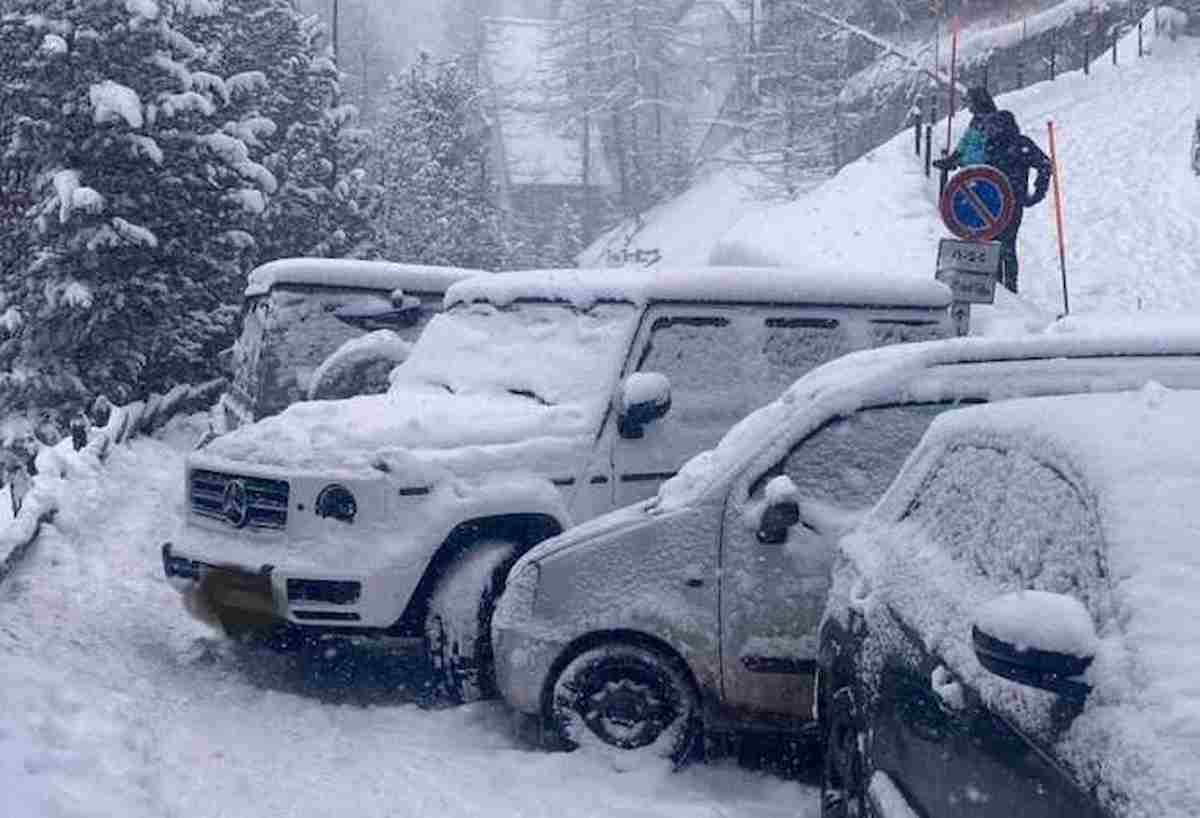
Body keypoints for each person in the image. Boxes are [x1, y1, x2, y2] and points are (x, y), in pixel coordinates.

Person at [934, 95, 1053, 294]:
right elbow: (1045, 165)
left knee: (994, 247)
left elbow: (978, 169)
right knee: (1007, 246)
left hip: (991, 205)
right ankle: (1009, 291)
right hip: (1009, 203)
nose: (990, 130)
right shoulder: (1019, 144)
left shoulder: (993, 145)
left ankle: (999, 291)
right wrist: (1036, 193)